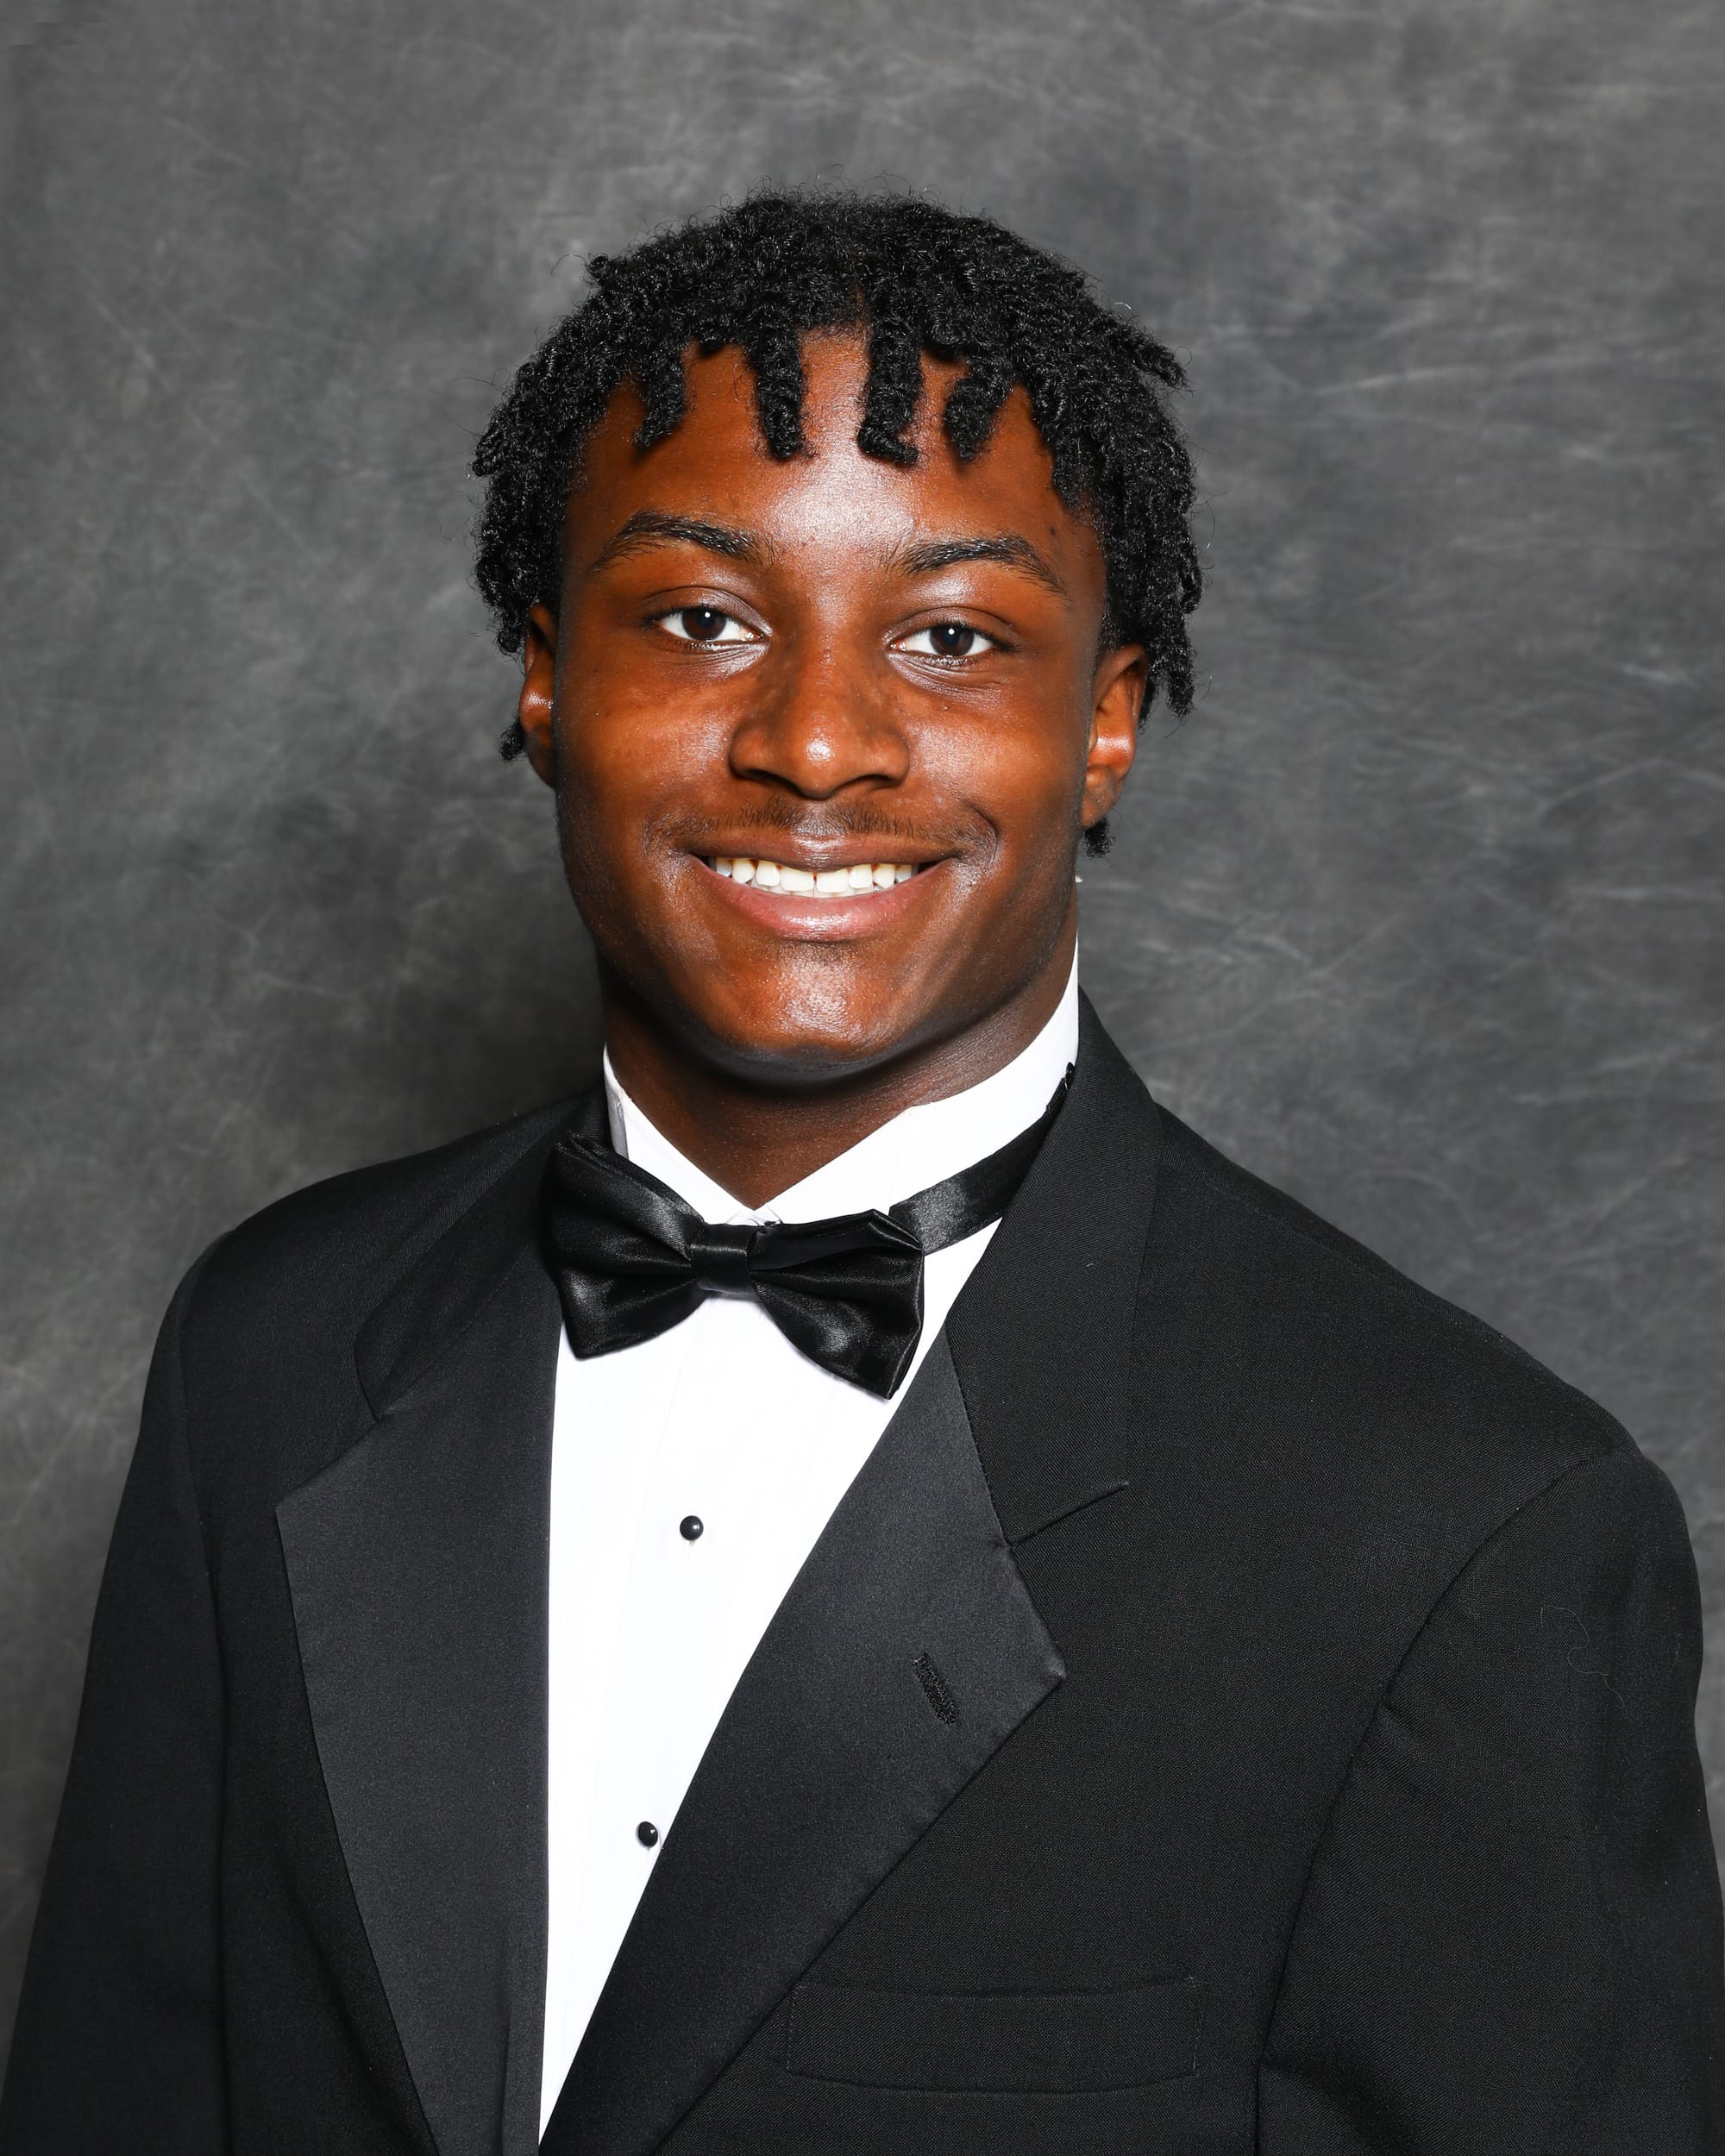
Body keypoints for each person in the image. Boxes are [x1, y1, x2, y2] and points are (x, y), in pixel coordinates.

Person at [3, 188, 1719, 2156]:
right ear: (548, 678)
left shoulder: (1464, 1528)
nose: (817, 743)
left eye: (953, 636)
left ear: (1106, 722)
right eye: (705, 619)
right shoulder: (268, 1350)